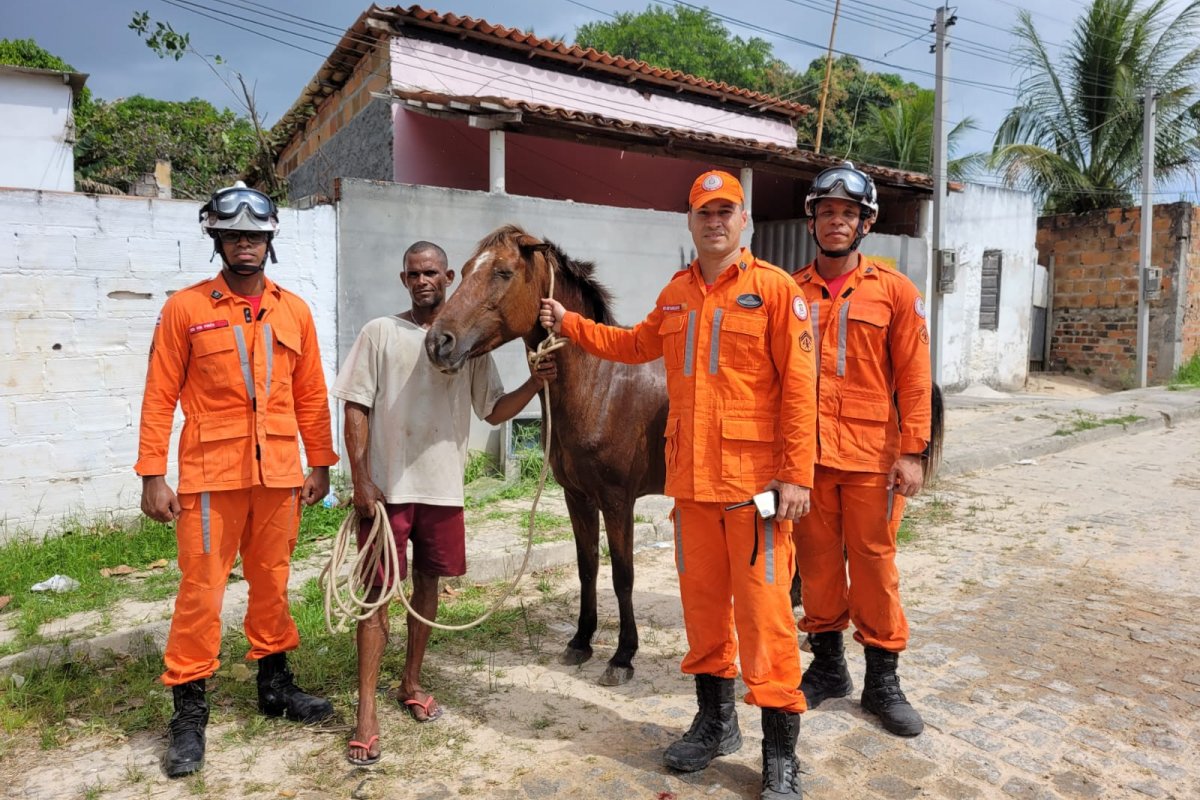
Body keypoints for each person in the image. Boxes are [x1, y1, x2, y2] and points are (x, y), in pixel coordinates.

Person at [539, 170, 816, 800]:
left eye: (726, 211)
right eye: (703, 212)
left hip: (755, 494)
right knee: (703, 615)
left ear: (742, 220)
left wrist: (796, 474)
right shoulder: (675, 296)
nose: (714, 221)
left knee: (767, 619)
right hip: (690, 490)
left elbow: (802, 391)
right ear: (690, 223)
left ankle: (781, 755)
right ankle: (716, 723)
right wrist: (571, 323)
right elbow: (635, 346)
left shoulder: (775, 293)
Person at [136, 182, 339, 779]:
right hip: (208, 476)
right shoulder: (186, 309)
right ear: (216, 238)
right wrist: (152, 474)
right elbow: (159, 394)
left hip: (278, 474)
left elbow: (312, 394)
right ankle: (188, 711)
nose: (243, 243)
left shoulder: (294, 309)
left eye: (254, 234)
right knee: (201, 591)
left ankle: (275, 687)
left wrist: (321, 461)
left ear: (269, 239)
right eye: (232, 235)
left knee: (272, 580)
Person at [334, 240, 557, 767]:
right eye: (413, 273)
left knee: (428, 588)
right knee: (375, 598)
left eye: (431, 272)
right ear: (403, 279)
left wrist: (534, 383)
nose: (422, 280)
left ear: (450, 276)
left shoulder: (470, 344)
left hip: (443, 492)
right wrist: (361, 480)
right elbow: (355, 408)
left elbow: (494, 412)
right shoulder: (380, 334)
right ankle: (367, 712)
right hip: (388, 492)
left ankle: (410, 682)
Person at [790, 162, 932, 737]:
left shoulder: (895, 292)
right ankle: (827, 670)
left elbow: (915, 378)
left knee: (874, 568)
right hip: (811, 460)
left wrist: (913, 451)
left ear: (865, 223)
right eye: (827, 212)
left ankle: (882, 683)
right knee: (818, 566)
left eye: (849, 213)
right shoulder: (791, 294)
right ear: (813, 221)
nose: (837, 221)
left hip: (874, 458)